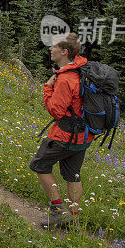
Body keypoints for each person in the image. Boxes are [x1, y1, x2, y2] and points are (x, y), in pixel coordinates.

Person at [29, 32, 94, 229]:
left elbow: (56, 111)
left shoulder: (66, 79)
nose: (50, 49)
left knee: (39, 166)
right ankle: (73, 217)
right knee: (73, 174)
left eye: (54, 46)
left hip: (64, 136)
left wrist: (48, 88)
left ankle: (57, 211)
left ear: (64, 52)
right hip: (83, 136)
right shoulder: (82, 69)